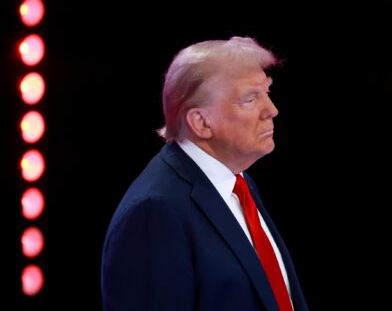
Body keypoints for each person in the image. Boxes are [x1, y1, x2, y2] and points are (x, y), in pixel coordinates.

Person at [101, 36, 309, 311]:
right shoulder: (155, 211)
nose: (272, 110)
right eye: (250, 99)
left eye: (267, 92)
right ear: (200, 122)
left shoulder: (237, 180)